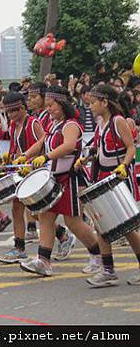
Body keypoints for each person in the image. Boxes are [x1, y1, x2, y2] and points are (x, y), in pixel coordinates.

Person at [20, 86, 101, 278]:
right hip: (54, 178)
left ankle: (99, 257)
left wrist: (46, 157)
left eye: (51, 105)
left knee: (73, 222)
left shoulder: (70, 124)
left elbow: (69, 145)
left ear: (62, 104)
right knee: (45, 217)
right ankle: (43, 261)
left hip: (70, 179)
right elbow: (42, 142)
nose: (49, 109)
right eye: (47, 105)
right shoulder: (53, 123)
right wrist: (26, 155)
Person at [77, 84, 140, 287]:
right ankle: (108, 271)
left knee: (126, 228)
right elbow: (99, 147)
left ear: (105, 102)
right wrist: (86, 158)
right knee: (102, 225)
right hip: (103, 178)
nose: (91, 106)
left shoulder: (118, 121)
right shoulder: (100, 123)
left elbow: (131, 147)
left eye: (94, 102)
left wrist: (123, 166)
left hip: (118, 178)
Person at [0, 92, 45, 264]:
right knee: (17, 208)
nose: (10, 115)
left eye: (13, 112)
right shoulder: (12, 125)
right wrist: (8, 158)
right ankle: (19, 248)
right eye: (8, 112)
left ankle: (61, 234)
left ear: (23, 108)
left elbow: (44, 143)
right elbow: (15, 148)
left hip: (34, 172)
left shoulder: (33, 123)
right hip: (20, 172)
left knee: (38, 212)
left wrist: (28, 157)